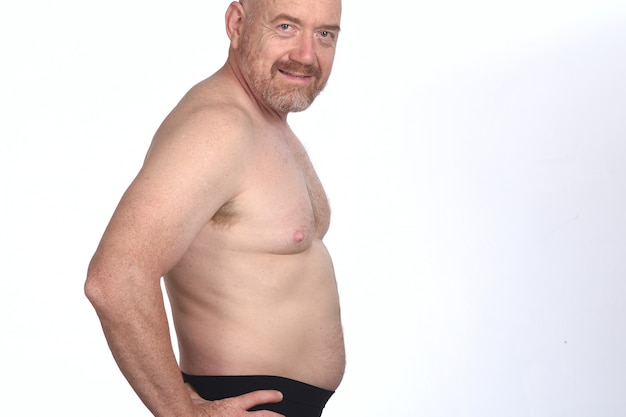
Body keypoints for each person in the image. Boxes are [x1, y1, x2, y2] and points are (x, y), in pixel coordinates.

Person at [84, 0, 344, 416]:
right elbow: (114, 277)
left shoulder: (267, 121)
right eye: (286, 28)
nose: (306, 55)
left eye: (325, 34)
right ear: (237, 23)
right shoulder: (220, 126)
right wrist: (181, 413)